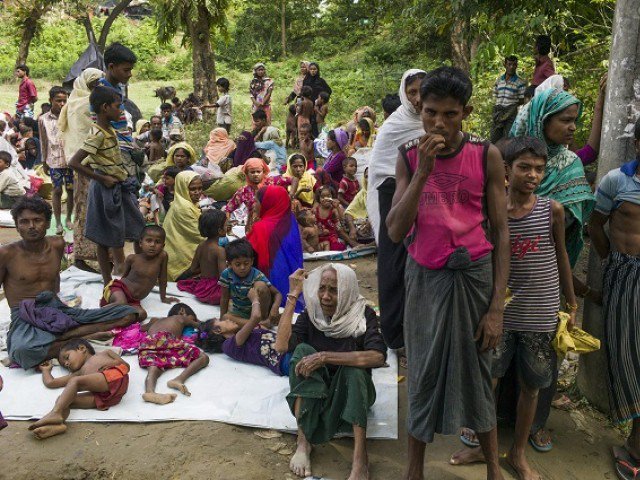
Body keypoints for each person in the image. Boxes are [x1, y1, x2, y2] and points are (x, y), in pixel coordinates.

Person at [386, 66, 510, 480]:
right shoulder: (407, 156)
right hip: (425, 277)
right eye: (430, 112)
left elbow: (500, 231)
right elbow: (395, 230)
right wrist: (423, 170)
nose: (438, 123)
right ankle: (414, 469)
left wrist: (497, 307)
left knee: (478, 368)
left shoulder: (485, 155)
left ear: (465, 112)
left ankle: (493, 467)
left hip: (473, 276)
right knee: (420, 369)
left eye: (449, 114)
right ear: (419, 109)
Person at [451, 136, 578, 479]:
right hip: (500, 313)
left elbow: (562, 254)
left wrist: (570, 298)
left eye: (539, 169)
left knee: (532, 385)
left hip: (541, 312)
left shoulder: (552, 210)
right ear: (506, 171)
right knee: (489, 380)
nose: (532, 175)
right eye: (525, 167)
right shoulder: (490, 215)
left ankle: (518, 454)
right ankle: (483, 446)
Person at [4, 197, 138, 370]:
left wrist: (61, 312)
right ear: (16, 225)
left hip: (55, 308)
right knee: (23, 351)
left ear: (47, 223)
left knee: (131, 313)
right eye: (24, 221)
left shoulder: (57, 244)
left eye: (37, 220)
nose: (31, 226)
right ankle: (79, 336)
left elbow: (55, 280)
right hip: (25, 314)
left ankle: (64, 336)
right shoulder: (6, 253)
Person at [281, 265, 386, 479]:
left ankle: (360, 459)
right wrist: (293, 295)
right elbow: (281, 345)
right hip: (318, 398)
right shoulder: (313, 313)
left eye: (334, 290)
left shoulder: (362, 314)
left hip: (351, 397)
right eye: (322, 289)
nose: (325, 297)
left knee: (354, 371)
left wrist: (324, 357)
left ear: (347, 290)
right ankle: (303, 443)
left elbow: (377, 356)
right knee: (301, 351)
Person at [589, 118, 640, 474]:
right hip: (623, 274)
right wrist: (612, 261)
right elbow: (595, 224)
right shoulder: (616, 180)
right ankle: (634, 446)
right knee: (625, 357)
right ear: (637, 144)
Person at [68, 86, 146, 285]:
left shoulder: (108, 129)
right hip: (104, 188)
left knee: (138, 227)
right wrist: (101, 178)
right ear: (105, 108)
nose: (120, 110)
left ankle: (140, 272)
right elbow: (74, 162)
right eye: (117, 106)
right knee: (103, 236)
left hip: (118, 185)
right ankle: (106, 281)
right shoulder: (97, 134)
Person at [510, 88, 595, 268]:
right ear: (543, 119)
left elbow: (567, 221)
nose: (573, 127)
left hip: (546, 263)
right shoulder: (510, 157)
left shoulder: (570, 164)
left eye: (574, 120)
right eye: (566, 120)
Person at [28, 339, 129, 439]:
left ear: (82, 348)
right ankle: (58, 426)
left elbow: (126, 366)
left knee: (75, 381)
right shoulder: (79, 373)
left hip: (114, 375)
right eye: (65, 365)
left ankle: (55, 413)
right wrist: (45, 370)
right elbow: (51, 383)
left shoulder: (105, 353)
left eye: (67, 357)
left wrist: (114, 363)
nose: (67, 364)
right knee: (63, 400)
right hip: (106, 397)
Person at [58, 68, 104, 272]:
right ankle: (87, 254)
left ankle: (86, 253)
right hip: (88, 162)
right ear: (86, 84)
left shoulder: (73, 103)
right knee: (89, 206)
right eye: (95, 83)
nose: (98, 86)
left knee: (85, 205)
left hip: (83, 162)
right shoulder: (87, 105)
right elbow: (90, 134)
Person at [246, 185, 305, 310]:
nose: (253, 205)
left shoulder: (261, 228)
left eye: (256, 201)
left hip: (268, 286)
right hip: (291, 285)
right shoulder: (290, 221)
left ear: (267, 203)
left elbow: (248, 254)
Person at [100, 225, 178, 318]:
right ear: (140, 243)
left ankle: (119, 311)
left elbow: (163, 278)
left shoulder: (162, 257)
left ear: (163, 246)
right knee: (121, 302)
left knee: (142, 315)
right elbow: (123, 278)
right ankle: (94, 315)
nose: (152, 245)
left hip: (133, 300)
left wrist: (163, 297)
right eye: (148, 240)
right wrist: (115, 293)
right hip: (119, 289)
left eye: (157, 242)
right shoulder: (132, 258)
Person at [138, 306, 209, 405]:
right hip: (167, 339)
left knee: (154, 366)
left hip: (148, 343)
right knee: (203, 357)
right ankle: (178, 379)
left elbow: (140, 328)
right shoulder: (181, 318)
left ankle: (149, 391)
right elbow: (202, 326)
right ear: (183, 312)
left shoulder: (155, 320)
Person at [96, 42, 142, 185]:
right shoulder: (103, 92)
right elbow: (101, 127)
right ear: (111, 67)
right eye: (126, 70)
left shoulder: (116, 89)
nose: (130, 74)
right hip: (115, 156)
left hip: (124, 150)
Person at [218, 238, 282, 326]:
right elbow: (224, 298)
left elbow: (278, 294)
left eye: (246, 263)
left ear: (252, 261)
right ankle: (258, 325)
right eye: (238, 264)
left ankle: (260, 321)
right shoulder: (226, 274)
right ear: (229, 263)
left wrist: (275, 308)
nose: (242, 267)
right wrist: (222, 320)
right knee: (225, 318)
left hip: (258, 313)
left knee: (261, 285)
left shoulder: (257, 275)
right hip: (239, 313)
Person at [39, 86, 73, 234]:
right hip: (54, 160)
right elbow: (43, 141)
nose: (62, 104)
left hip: (71, 159)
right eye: (58, 100)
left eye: (64, 101)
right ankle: (58, 221)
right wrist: (44, 161)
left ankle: (69, 219)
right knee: (57, 190)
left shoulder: (70, 116)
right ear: (50, 101)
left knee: (71, 190)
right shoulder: (43, 119)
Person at [177, 208, 227, 304]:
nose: (228, 227)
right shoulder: (220, 251)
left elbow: (192, 269)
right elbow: (223, 277)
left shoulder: (201, 245)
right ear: (220, 230)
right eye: (226, 226)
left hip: (201, 288)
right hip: (213, 290)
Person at [163, 171, 204, 281]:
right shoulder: (184, 208)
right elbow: (200, 235)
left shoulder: (186, 203)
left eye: (200, 188)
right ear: (182, 188)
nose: (197, 192)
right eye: (193, 189)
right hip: (179, 261)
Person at [490, 55, 526, 144]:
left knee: (509, 138)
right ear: (505, 65)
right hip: (498, 112)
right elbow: (495, 96)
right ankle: (495, 156)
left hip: (511, 113)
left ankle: (507, 157)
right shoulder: (499, 80)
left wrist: (511, 106)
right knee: (494, 137)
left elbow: (523, 100)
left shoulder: (520, 82)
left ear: (516, 66)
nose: (511, 67)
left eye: (514, 64)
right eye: (509, 64)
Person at [314, 185, 356, 250]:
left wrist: (337, 207)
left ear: (332, 197)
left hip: (332, 236)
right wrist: (320, 232)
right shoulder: (316, 210)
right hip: (320, 236)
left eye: (328, 196)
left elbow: (342, 219)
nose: (326, 198)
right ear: (319, 199)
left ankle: (350, 242)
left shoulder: (333, 209)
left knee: (338, 247)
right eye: (323, 197)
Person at [302, 62, 332, 137]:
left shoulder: (321, 81)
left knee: (318, 121)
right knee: (309, 121)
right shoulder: (306, 80)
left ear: (318, 70)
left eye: (314, 69)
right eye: (311, 69)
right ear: (308, 70)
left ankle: (320, 137)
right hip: (308, 104)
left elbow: (329, 91)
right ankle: (309, 139)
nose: (312, 71)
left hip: (318, 105)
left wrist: (323, 101)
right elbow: (303, 92)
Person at [345, 167, 373, 244]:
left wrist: (370, 223)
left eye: (371, 176)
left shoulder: (383, 192)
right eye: (366, 177)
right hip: (364, 226)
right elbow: (349, 212)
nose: (368, 179)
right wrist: (352, 228)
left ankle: (369, 245)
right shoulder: (363, 193)